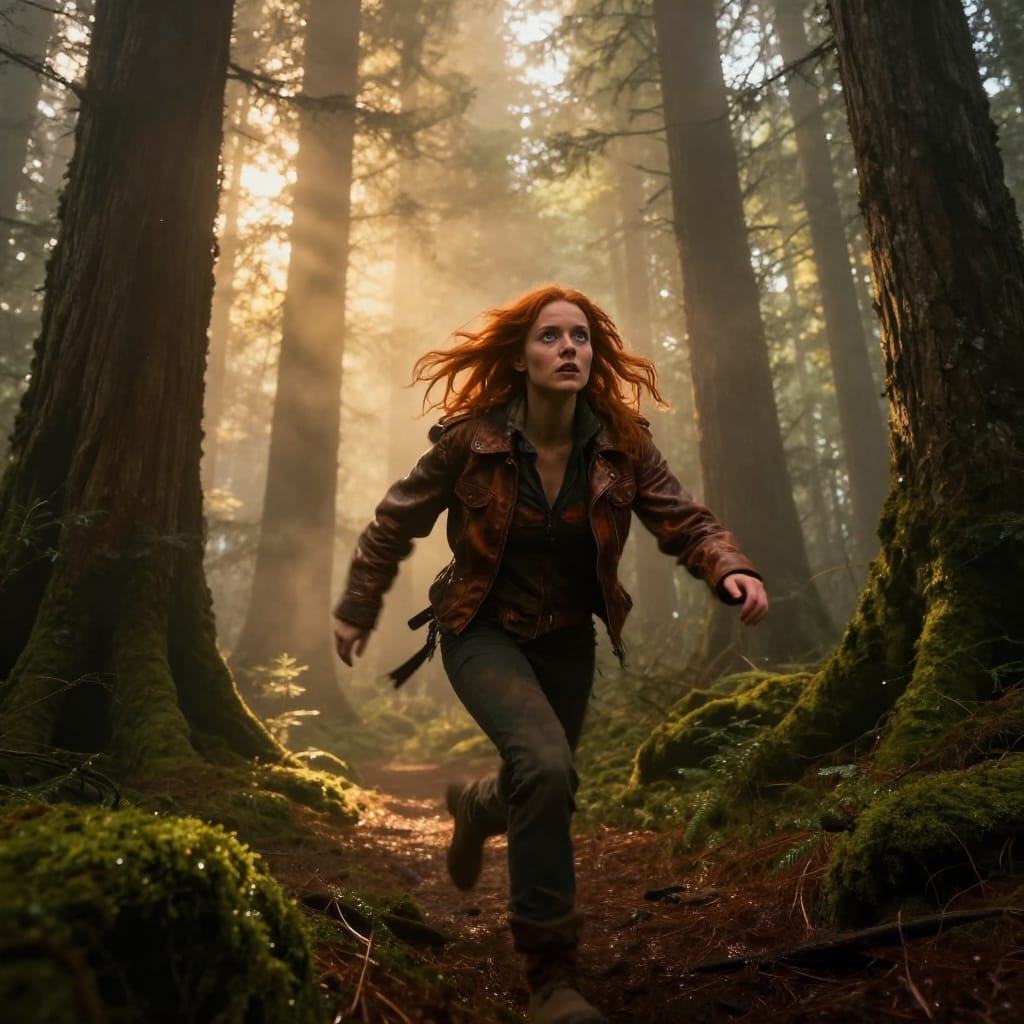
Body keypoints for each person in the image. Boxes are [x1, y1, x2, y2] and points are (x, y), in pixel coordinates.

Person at [333, 285, 767, 1024]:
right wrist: (357, 605)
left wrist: (728, 564)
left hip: (569, 638)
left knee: (546, 779)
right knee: (544, 764)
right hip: (481, 629)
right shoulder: (472, 440)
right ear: (522, 355)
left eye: (580, 338)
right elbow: (391, 521)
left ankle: (475, 809)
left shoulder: (622, 444)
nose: (568, 348)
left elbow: (681, 516)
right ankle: (551, 977)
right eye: (549, 336)